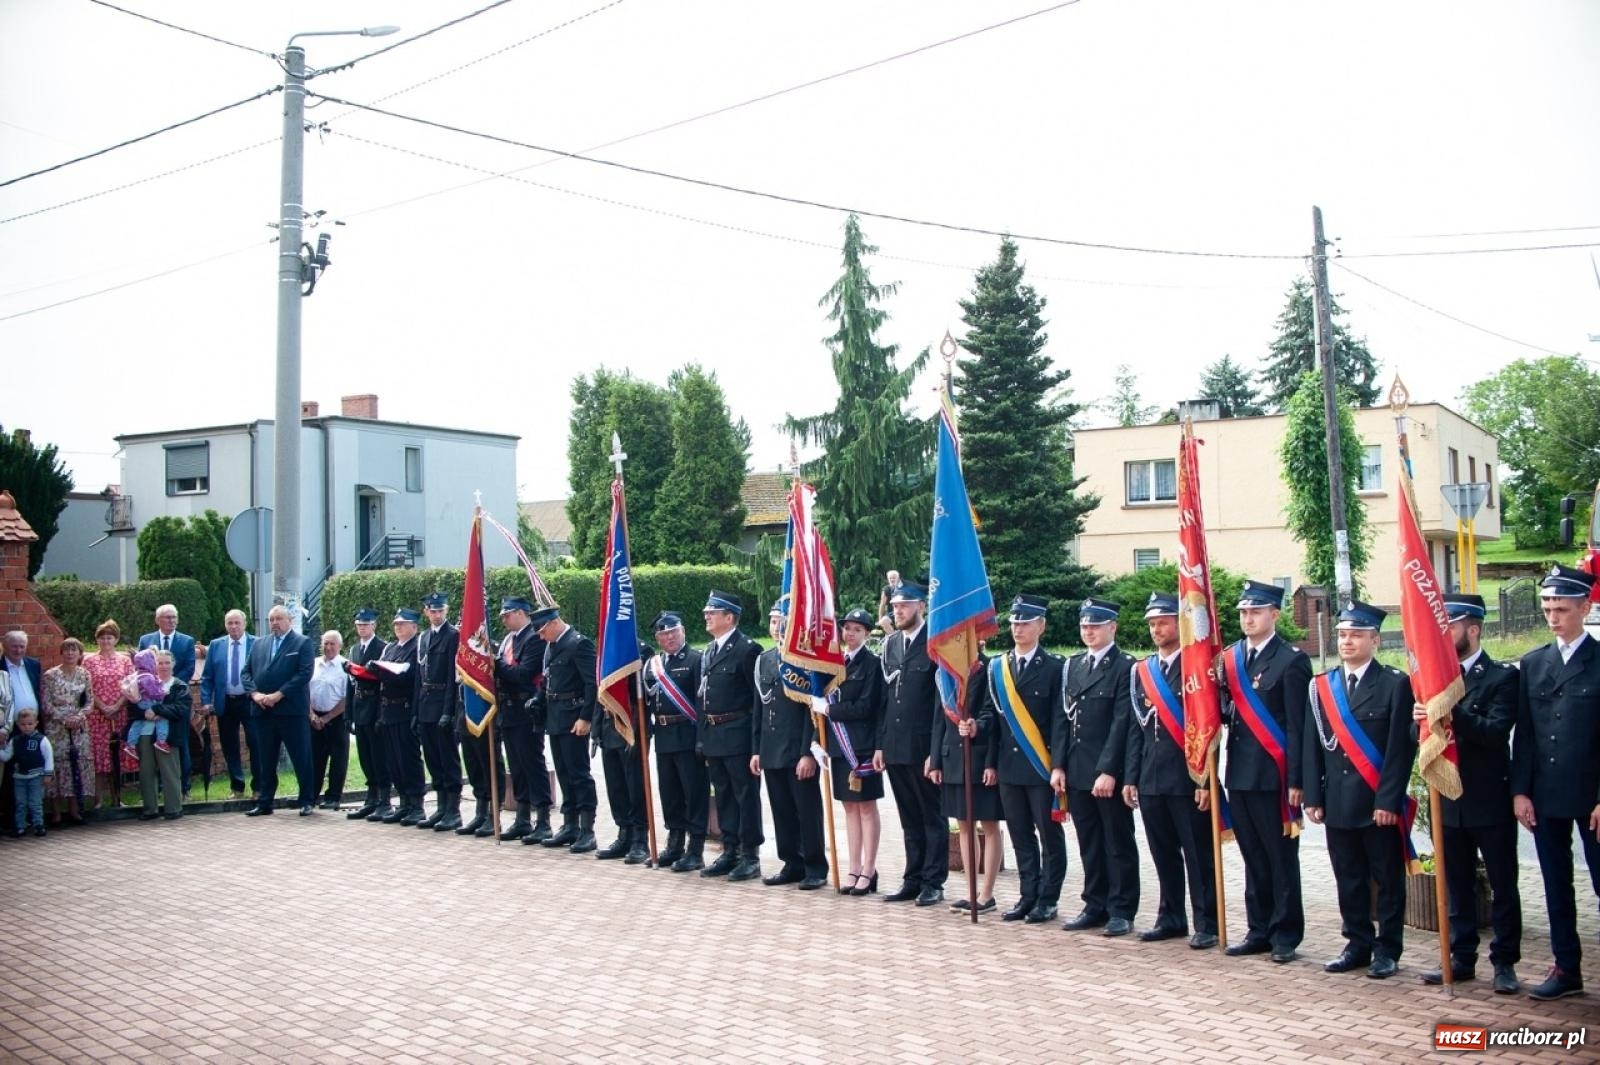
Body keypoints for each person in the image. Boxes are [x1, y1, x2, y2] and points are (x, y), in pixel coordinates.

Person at [1303, 600, 1417, 981]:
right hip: (1337, 800)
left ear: (1375, 639)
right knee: (1348, 876)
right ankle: (1357, 943)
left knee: (1386, 878)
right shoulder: (1322, 686)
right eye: (1343, 634)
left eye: (1355, 635)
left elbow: (1401, 751)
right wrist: (1313, 797)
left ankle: (1388, 949)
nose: (1347, 641)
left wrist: (1388, 800)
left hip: (1375, 802)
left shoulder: (1395, 684)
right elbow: (1312, 745)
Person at [1414, 593, 1521, 993]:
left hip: (1488, 798)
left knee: (1502, 884)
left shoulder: (1501, 677)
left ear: (1473, 629)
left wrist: (1450, 707)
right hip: (1449, 799)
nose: (1445, 635)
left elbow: (1494, 734)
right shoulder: (1433, 679)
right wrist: (1421, 722)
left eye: (1452, 627)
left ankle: (1505, 962)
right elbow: (1422, 739)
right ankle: (1461, 957)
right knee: (1456, 884)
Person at [1511, 563, 1600, 1001]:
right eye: (1546, 607)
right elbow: (1525, 734)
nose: (1552, 616)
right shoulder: (1533, 662)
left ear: (1585, 607)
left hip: (1591, 795)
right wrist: (1521, 790)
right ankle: (1567, 968)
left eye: (1561, 608)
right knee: (1555, 884)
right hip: (1545, 794)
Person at [1218, 580, 1309, 965]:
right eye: (1243, 612)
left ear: (1274, 614)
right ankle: (1258, 929)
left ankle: (1285, 933)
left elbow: (1297, 727)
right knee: (1253, 856)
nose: (1248, 618)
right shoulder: (1230, 659)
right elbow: (1225, 714)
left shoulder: (1291, 660)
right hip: (1239, 774)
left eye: (1256, 612)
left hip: (1274, 777)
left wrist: (1297, 781)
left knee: (1279, 857)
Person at [1122, 592, 1217, 949]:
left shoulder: (1196, 667)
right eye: (1151, 624)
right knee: (1163, 853)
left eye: (1162, 622)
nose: (1156, 629)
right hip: (1152, 777)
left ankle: (1206, 920)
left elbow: (1209, 728)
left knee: (1197, 854)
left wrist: (1205, 780)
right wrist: (1132, 777)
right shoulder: (1143, 671)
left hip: (1188, 778)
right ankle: (1171, 916)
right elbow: (1137, 729)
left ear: (1180, 623)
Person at [974, 593, 1064, 925]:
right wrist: (978, 733)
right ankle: (1028, 895)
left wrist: (1058, 765)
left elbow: (1058, 721)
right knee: (1020, 834)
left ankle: (1048, 898)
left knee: (1048, 836)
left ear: (1041, 626)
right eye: (1014, 623)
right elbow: (992, 716)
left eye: (1025, 623)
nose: (1018, 629)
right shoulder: (998, 667)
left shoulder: (1055, 667)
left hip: (1040, 766)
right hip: (1009, 766)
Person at [1057, 597, 1138, 936]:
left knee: (1117, 841)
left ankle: (1121, 908)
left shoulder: (1125, 667)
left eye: (1095, 625)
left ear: (1112, 628)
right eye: (1084, 626)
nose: (1088, 631)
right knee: (1089, 840)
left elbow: (1123, 722)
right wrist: (1058, 765)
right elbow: (1063, 720)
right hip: (1076, 769)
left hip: (1107, 772)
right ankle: (1095, 903)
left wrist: (1109, 770)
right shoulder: (1073, 665)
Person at [873, 582, 947, 907]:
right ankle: (912, 877)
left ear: (921, 606)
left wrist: (936, 751)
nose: (898, 611)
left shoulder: (935, 644)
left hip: (923, 747)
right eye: (895, 606)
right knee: (908, 817)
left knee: (931, 816)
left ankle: (933, 881)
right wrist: (880, 745)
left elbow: (940, 706)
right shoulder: (890, 646)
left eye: (905, 605)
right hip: (895, 745)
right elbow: (884, 702)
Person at [753, 604, 828, 891]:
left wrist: (809, 752)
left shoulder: (805, 661)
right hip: (771, 749)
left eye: (782, 621)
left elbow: (813, 711)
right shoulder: (764, 659)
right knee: (781, 810)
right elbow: (759, 708)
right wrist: (756, 749)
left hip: (798, 750)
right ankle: (791, 863)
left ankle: (814, 866)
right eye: (773, 622)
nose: (776, 627)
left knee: (807, 810)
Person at [696, 589, 763, 881]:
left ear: (730, 617)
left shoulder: (748, 650)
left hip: (738, 734)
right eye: (707, 612)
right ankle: (730, 849)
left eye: (713, 612)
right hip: (715, 734)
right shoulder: (710, 650)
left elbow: (756, 701)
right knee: (723, 794)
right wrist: (702, 737)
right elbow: (703, 698)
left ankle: (750, 855)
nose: (707, 616)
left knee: (745, 795)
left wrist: (754, 744)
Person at [937, 650, 1003, 914]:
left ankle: (987, 894)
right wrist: (936, 757)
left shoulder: (989, 668)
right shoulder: (947, 670)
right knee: (964, 825)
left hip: (979, 756)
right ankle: (970, 892)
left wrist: (991, 762)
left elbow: (994, 716)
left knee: (989, 824)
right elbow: (938, 717)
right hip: (953, 755)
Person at [643, 612, 708, 871]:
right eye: (663, 634)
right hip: (664, 736)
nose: (669, 638)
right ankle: (674, 843)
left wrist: (702, 739)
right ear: (657, 638)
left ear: (683, 632)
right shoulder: (654, 664)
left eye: (674, 632)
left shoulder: (695, 660)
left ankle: (696, 849)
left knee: (693, 793)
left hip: (688, 734)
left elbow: (702, 703)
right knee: (670, 793)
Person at [829, 608, 886, 896]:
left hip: (862, 746)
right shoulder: (835, 662)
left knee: (866, 806)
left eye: (857, 630)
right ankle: (853, 866)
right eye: (847, 628)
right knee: (849, 807)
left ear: (866, 634)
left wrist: (830, 710)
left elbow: (867, 707)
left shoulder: (872, 664)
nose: (849, 634)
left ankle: (869, 868)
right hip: (840, 746)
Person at [241, 605, 317, 818]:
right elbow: (246, 673)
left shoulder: (302, 643)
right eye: (271, 619)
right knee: (265, 758)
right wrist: (255, 694)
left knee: (300, 756)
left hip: (291, 711)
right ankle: (265, 801)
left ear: (289, 620)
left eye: (279, 619)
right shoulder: (259, 644)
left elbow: (304, 674)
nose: (274, 623)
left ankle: (306, 800)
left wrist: (278, 695)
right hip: (262, 710)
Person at [535, 605, 599, 853]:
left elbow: (591, 684)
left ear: (553, 623)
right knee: (563, 772)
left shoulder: (578, 644)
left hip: (573, 717)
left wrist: (585, 717)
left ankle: (587, 828)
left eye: (542, 631)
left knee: (578, 774)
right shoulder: (552, 645)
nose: (541, 637)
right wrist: (539, 700)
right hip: (556, 717)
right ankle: (570, 823)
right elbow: (548, 679)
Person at [494, 597, 552, 843]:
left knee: (532, 764)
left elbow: (524, 674)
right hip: (508, 709)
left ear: (521, 613)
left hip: (526, 708)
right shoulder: (509, 640)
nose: (504, 620)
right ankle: (522, 818)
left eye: (507, 615)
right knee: (516, 766)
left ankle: (544, 820)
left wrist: (495, 665)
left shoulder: (534, 638)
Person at [594, 633, 649, 865]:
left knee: (634, 785)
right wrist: (596, 729)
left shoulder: (639, 650)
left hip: (630, 726)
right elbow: (601, 691)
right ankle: (623, 833)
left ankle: (639, 838)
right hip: (608, 727)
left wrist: (638, 730)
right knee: (615, 786)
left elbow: (642, 696)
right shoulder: (604, 649)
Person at [415, 593, 464, 832]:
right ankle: (442, 806)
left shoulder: (453, 636)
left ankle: (453, 810)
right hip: (425, 704)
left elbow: (451, 678)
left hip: (442, 702)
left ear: (446, 611)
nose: (436, 615)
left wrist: (448, 711)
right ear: (426, 612)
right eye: (432, 611)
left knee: (448, 758)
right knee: (433, 759)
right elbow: (419, 675)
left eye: (440, 610)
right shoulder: (423, 637)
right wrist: (416, 711)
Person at [374, 608, 427, 826]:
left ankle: (416, 804)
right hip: (389, 710)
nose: (398, 627)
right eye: (396, 624)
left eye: (403, 624)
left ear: (414, 627)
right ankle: (404, 801)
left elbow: (413, 678)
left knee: (409, 758)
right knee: (393, 760)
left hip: (404, 709)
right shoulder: (390, 648)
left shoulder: (416, 647)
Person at [138, 604, 197, 795]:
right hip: (151, 702)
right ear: (157, 620)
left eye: (174, 617)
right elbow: (141, 668)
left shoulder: (186, 641)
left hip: (176, 700)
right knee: (155, 744)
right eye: (167, 617)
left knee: (180, 743)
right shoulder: (146, 640)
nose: (171, 620)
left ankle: (184, 787)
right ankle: (161, 788)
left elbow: (188, 668)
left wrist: (168, 687)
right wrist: (153, 689)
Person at [200, 610, 256, 800]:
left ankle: (258, 787)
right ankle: (237, 787)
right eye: (229, 623)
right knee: (229, 746)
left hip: (250, 702)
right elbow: (207, 677)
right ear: (225, 625)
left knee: (255, 743)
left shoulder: (256, 644)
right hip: (225, 702)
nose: (233, 626)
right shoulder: (216, 645)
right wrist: (207, 701)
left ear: (244, 624)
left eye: (237, 623)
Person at [342, 609, 390, 820]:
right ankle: (371, 798)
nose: (362, 627)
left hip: (375, 704)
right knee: (365, 756)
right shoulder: (354, 649)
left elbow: (383, 681)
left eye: (366, 624)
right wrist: (348, 714)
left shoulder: (382, 647)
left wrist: (381, 714)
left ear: (374, 626)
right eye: (359, 624)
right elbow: (350, 684)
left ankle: (383, 799)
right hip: (359, 705)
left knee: (378, 756)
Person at [81, 621, 133, 810]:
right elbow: (86, 688)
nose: (106, 641)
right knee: (98, 757)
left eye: (109, 637)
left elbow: (130, 686)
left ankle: (117, 798)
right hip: (97, 715)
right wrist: (102, 706)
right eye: (102, 637)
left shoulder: (125, 660)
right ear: (97, 639)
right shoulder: (88, 661)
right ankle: (98, 800)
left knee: (115, 757)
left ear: (116, 639)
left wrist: (117, 706)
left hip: (119, 714)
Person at [41, 637, 93, 824]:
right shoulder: (50, 675)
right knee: (57, 766)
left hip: (78, 726)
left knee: (76, 765)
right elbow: (46, 704)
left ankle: (74, 810)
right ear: (61, 653)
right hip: (57, 727)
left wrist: (79, 717)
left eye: (74, 650)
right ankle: (55, 812)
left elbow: (89, 702)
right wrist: (63, 719)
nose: (70, 653)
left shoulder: (84, 674)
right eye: (67, 650)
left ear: (80, 654)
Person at [133, 650, 187, 821]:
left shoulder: (179, 686)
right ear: (153, 665)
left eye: (167, 663)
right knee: (146, 771)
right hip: (145, 733)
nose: (163, 666)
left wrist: (157, 710)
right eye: (160, 663)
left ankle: (173, 809)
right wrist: (145, 713)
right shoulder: (143, 682)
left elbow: (181, 710)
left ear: (173, 664)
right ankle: (150, 809)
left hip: (167, 735)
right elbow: (133, 707)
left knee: (169, 771)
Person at [3, 631, 45, 828]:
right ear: (5, 645)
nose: (18, 650)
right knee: (11, 776)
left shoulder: (33, 664)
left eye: (22, 646)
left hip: (32, 727)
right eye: (14, 646)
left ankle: (30, 818)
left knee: (32, 773)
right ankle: (12, 819)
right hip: (8, 729)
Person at [309, 630, 350, 810]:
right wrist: (312, 715)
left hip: (336, 718)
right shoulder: (314, 664)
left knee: (338, 758)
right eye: (325, 643)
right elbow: (305, 691)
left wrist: (326, 718)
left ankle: (333, 796)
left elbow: (347, 698)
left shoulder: (345, 666)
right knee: (315, 758)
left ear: (340, 646)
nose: (328, 647)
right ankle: (311, 794)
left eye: (332, 643)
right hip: (313, 717)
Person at [2, 708, 52, 837]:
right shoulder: (15, 741)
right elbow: (6, 756)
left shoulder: (42, 740)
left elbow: (48, 757)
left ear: (36, 723)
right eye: (23, 724)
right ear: (18, 724)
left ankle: (38, 825)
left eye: (30, 724)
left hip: (36, 775)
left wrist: (48, 774)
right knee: (20, 802)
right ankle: (20, 826)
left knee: (35, 802)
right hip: (19, 777)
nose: (26, 727)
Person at [119, 649, 169, 760]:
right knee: (162, 718)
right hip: (148, 702)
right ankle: (161, 741)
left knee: (138, 723)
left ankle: (130, 744)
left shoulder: (138, 675)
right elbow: (153, 692)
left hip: (141, 703)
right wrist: (163, 694)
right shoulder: (148, 676)